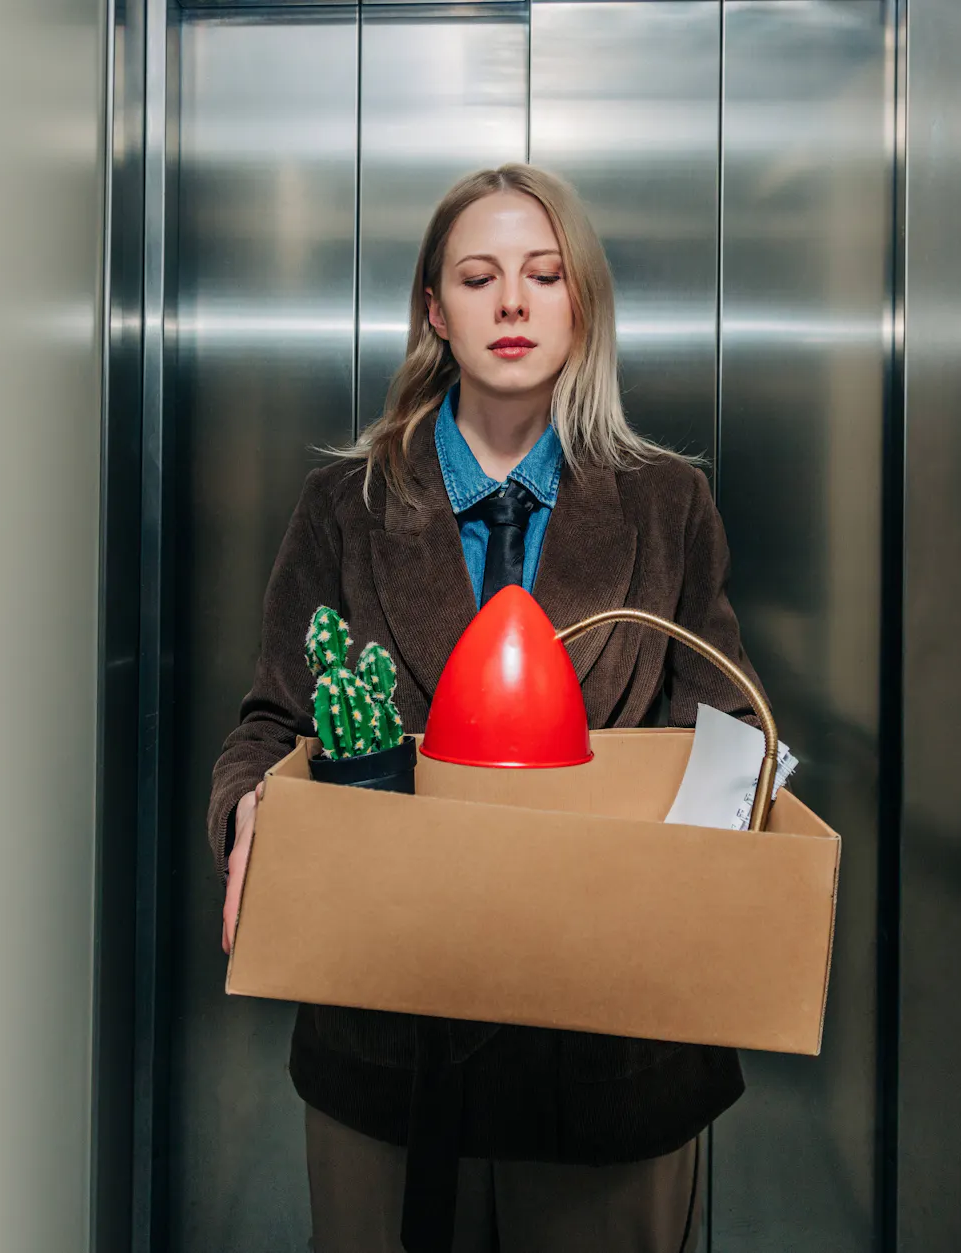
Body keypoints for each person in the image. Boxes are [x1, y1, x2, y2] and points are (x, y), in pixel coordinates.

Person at [207, 163, 765, 1253]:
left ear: (579, 303)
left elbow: (729, 737)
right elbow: (271, 719)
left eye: (543, 274)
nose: (511, 301)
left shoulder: (666, 504)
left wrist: (706, 880)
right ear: (434, 309)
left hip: (614, 1052)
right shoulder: (343, 506)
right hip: (388, 1049)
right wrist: (247, 808)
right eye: (477, 275)